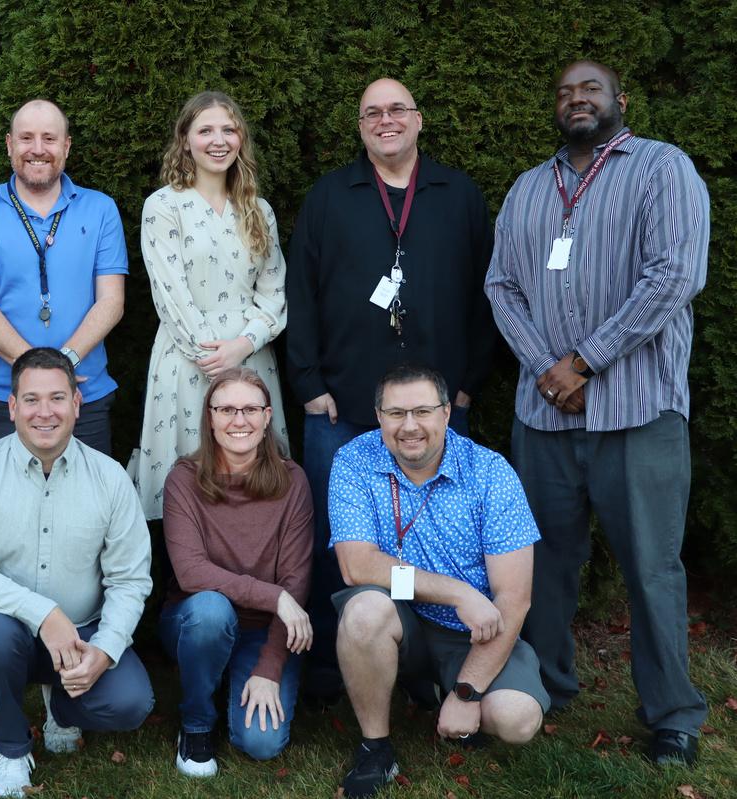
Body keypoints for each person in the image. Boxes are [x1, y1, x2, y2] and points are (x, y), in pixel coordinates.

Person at [485, 59, 710, 766]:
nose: (575, 99)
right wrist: (549, 372)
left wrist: (584, 361)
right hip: (545, 417)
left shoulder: (662, 168)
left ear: (620, 100)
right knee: (542, 565)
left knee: (651, 568)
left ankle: (672, 714)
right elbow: (500, 287)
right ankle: (543, 687)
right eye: (564, 92)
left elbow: (674, 273)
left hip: (637, 411)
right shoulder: (528, 188)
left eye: (589, 89)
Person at [286, 77, 498, 700]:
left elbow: (487, 294)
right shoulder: (330, 196)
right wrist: (308, 384)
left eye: (397, 109)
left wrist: (468, 385)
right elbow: (300, 292)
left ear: (418, 119)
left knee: (435, 537)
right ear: (360, 126)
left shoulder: (459, 195)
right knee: (336, 542)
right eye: (372, 112)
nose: (386, 120)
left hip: (435, 411)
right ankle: (333, 664)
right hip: (342, 406)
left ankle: (422, 666)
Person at [0, 348, 154, 797]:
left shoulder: (111, 478)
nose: (45, 412)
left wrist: (106, 650)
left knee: (131, 702)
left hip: (82, 633)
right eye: (32, 399)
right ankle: (10, 745)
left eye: (57, 398)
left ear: (76, 403)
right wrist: (45, 614)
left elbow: (129, 580)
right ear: (12, 406)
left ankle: (61, 703)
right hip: (5, 629)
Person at [329, 364, 546, 798]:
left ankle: (447, 692)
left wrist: (467, 693)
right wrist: (456, 591)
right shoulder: (355, 461)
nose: (409, 426)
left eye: (423, 411)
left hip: (473, 631)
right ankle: (375, 748)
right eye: (396, 413)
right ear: (379, 416)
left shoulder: (490, 472)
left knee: (516, 719)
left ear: (446, 413)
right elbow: (357, 566)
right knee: (365, 610)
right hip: (400, 618)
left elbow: (514, 597)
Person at [130, 91, 289, 520]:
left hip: (251, 356)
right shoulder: (164, 206)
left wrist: (243, 346)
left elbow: (273, 293)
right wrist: (213, 357)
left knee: (253, 481)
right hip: (189, 360)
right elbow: (170, 293)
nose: (218, 140)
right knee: (190, 478)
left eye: (228, 129)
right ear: (185, 140)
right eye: (205, 131)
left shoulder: (259, 210)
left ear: (241, 139)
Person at [160, 367, 312, 776]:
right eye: (226, 409)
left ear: (267, 417)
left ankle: (235, 677)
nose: (238, 420)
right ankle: (196, 724)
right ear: (209, 418)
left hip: (264, 628)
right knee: (211, 611)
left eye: (250, 410)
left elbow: (295, 581)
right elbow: (191, 573)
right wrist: (275, 596)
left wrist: (270, 666)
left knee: (262, 743)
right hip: (196, 621)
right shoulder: (183, 480)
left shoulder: (293, 481)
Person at [0, 99, 127, 455]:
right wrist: (41, 374)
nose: (37, 149)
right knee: (6, 494)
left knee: (88, 494)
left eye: (49, 138)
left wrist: (65, 365)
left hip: (85, 397)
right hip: (5, 398)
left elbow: (111, 301)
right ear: (9, 145)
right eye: (26, 138)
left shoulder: (101, 209)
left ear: (66, 146)